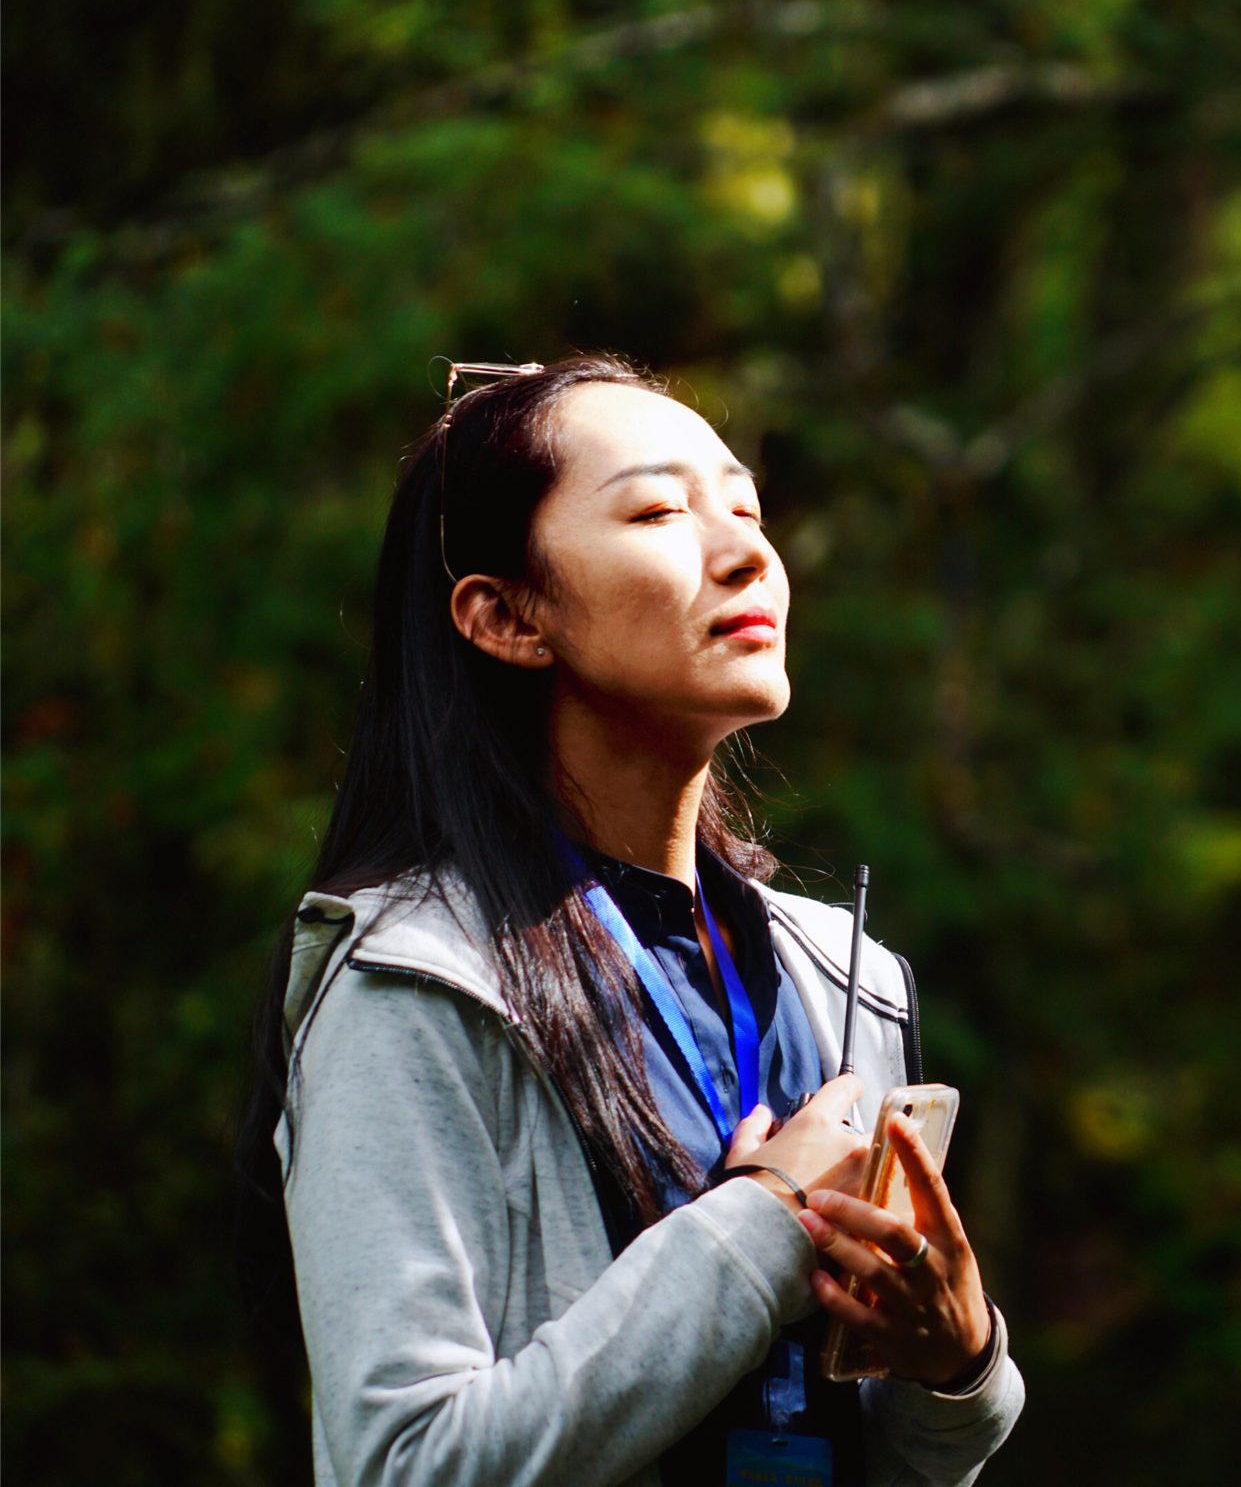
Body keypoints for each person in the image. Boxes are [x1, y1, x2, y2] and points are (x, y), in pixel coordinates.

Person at [234, 356, 1023, 1487]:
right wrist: (765, 1221)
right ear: (508, 615)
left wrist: (959, 1367)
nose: (748, 552)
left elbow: (865, 1450)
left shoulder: (840, 977)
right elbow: (407, 1464)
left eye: (747, 510)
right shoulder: (413, 978)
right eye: (659, 512)